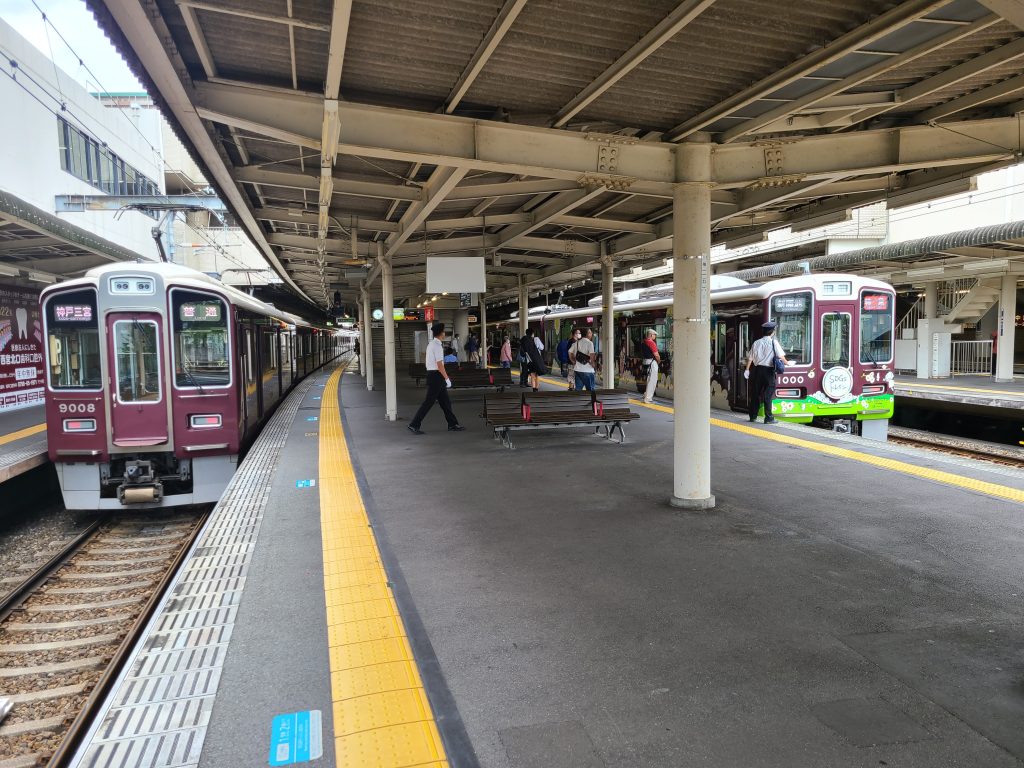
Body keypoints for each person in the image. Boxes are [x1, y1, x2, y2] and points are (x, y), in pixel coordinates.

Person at [408, 322, 465, 435]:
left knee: (445, 402)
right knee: (428, 402)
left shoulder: (431, 344)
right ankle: (414, 424)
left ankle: (452, 424)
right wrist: (447, 378)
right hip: (436, 377)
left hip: (434, 375)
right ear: (440, 333)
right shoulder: (437, 346)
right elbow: (440, 365)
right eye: (443, 331)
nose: (444, 333)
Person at [743, 320, 792, 424]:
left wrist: (747, 370)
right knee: (768, 394)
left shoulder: (756, 342)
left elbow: (750, 358)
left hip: (757, 371)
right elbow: (781, 356)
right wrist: (788, 363)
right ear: (772, 332)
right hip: (768, 371)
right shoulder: (773, 342)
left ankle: (753, 416)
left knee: (755, 393)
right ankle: (769, 418)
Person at [570, 327, 596, 391]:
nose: (591, 334)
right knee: (591, 390)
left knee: (578, 390)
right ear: (586, 334)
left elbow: (569, 352)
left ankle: (578, 400)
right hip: (588, 370)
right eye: (590, 332)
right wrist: (593, 364)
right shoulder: (590, 343)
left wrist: (573, 361)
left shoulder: (577, 343)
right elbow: (592, 355)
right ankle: (592, 401)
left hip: (578, 370)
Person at [640, 328, 661, 404]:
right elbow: (656, 355)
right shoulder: (651, 342)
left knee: (649, 380)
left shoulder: (643, 342)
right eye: (654, 335)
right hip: (652, 363)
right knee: (652, 381)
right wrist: (658, 361)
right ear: (651, 335)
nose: (655, 336)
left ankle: (646, 395)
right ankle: (648, 398)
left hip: (646, 362)